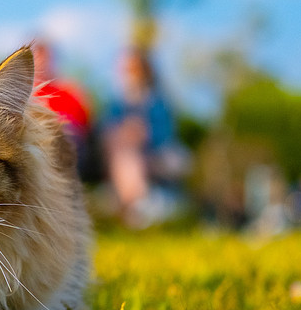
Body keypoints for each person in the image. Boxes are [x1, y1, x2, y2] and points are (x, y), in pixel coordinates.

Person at [102, 49, 190, 226]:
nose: (126, 75)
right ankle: (136, 203)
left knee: (127, 152)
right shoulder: (116, 105)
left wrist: (142, 134)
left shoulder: (157, 103)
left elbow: (165, 137)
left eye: (131, 69)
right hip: (124, 157)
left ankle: (133, 204)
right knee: (123, 150)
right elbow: (106, 132)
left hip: (155, 157)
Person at [31, 39, 96, 179]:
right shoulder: (28, 94)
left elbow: (87, 123)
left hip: (68, 141)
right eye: (38, 57)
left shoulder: (69, 90)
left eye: (46, 57)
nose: (43, 63)